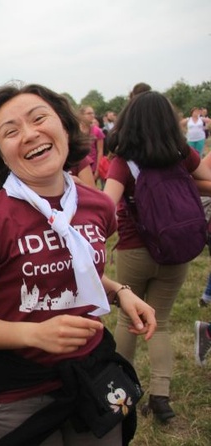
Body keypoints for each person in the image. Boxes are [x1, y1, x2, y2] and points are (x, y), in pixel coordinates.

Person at [0, 83, 156, 446]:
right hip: (21, 387)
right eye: (11, 131)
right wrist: (34, 334)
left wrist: (120, 293)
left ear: (64, 127)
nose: (30, 134)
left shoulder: (97, 206)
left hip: (91, 375)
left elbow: (78, 269)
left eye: (39, 118)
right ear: (0, 153)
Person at [104, 91, 211, 423]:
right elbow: (205, 182)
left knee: (128, 319)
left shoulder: (123, 162)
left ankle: (119, 396)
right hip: (177, 248)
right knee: (160, 322)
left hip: (135, 248)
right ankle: (161, 399)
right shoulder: (181, 154)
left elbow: (108, 206)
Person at [79, 105, 105, 181]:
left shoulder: (97, 131)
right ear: (82, 115)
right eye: (89, 113)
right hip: (78, 166)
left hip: (92, 167)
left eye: (93, 113)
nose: (92, 115)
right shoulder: (76, 130)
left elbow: (100, 151)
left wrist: (97, 170)